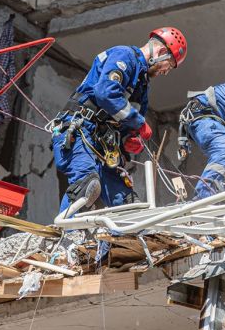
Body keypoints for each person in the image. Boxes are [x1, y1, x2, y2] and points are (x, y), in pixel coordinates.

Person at [51, 28, 187, 215]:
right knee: (87, 186)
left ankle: (121, 242)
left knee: (128, 205)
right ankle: (67, 238)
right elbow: (106, 93)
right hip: (81, 129)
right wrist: (138, 123)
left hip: (104, 144)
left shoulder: (142, 87)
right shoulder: (124, 56)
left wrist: (130, 139)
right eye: (168, 66)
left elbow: (124, 120)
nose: (165, 72)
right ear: (161, 53)